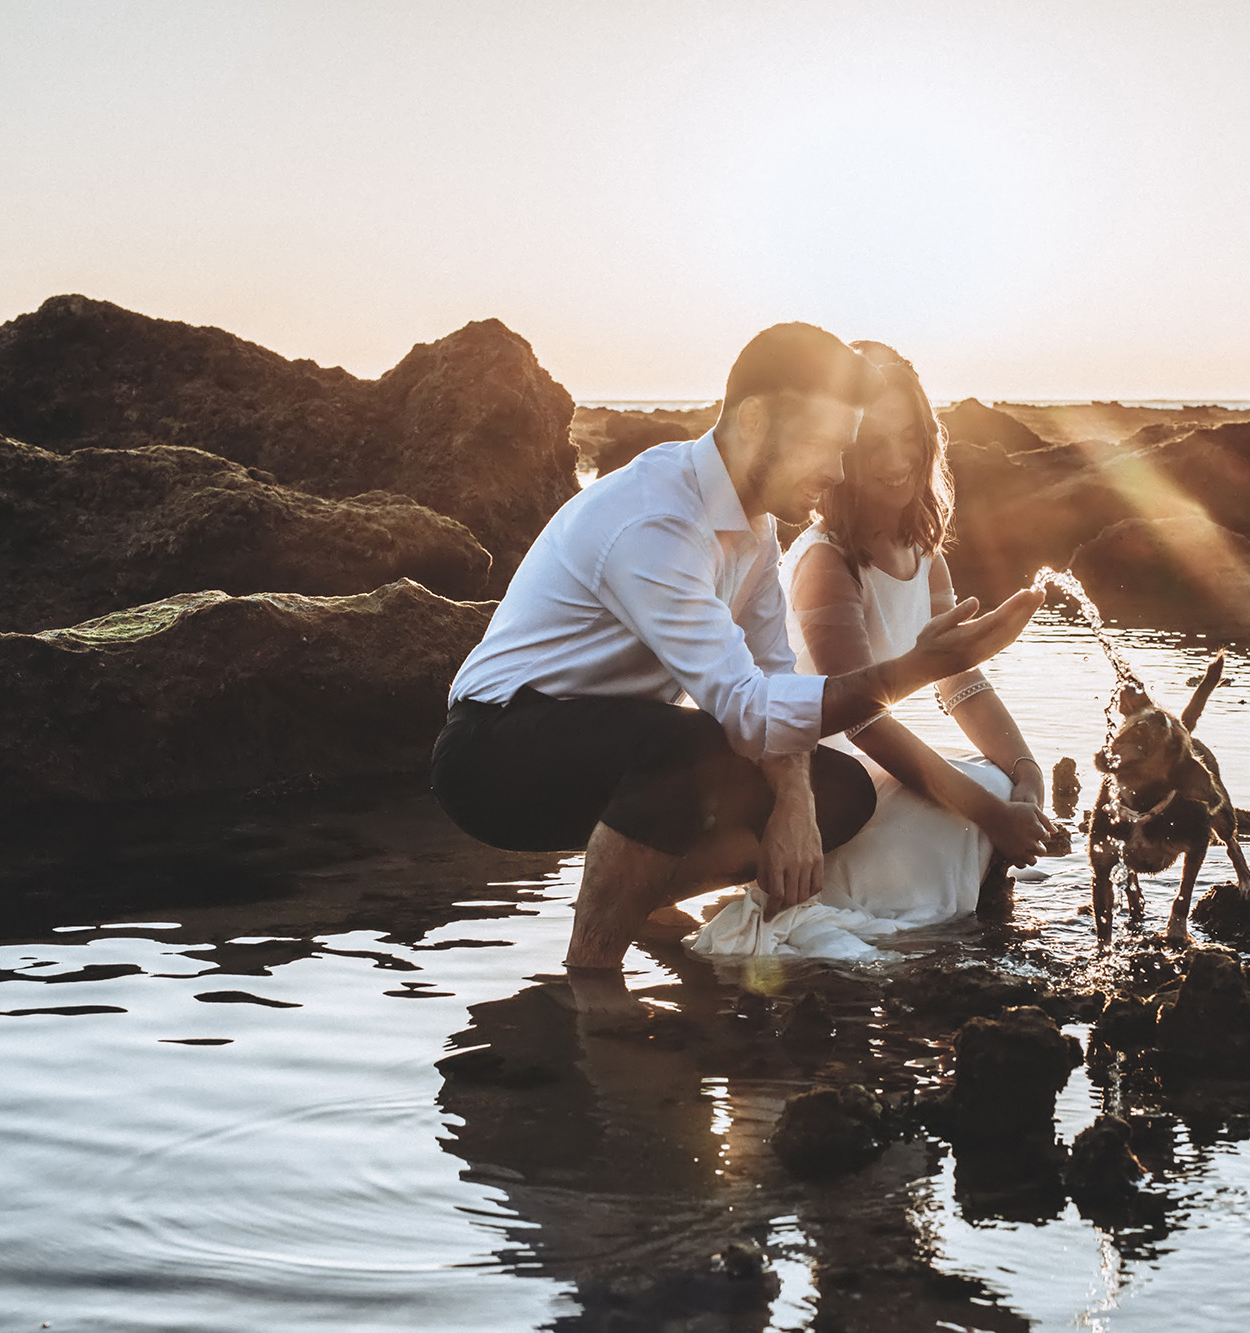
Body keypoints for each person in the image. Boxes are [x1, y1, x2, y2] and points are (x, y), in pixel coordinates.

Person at [430, 323, 1043, 1002]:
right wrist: (918, 668)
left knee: (844, 793)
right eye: (824, 446)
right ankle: (593, 974)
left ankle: (637, 897)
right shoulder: (658, 520)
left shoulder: (753, 533)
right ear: (756, 421)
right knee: (681, 747)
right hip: (495, 751)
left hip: (611, 738)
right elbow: (744, 708)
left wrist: (797, 805)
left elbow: (775, 680)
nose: (838, 473)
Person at [688, 342, 1058, 961]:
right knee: (966, 815)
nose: (896, 460)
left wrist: (1026, 773)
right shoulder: (828, 560)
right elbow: (863, 720)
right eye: (872, 445)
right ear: (842, 456)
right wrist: (995, 817)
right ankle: (935, 937)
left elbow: (962, 684)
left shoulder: (925, 553)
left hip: (871, 757)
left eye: (909, 436)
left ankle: (978, 925)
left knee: (992, 778)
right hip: (824, 776)